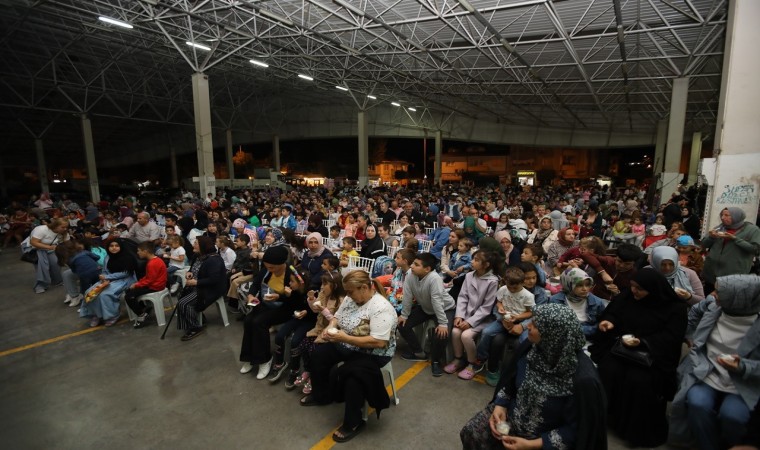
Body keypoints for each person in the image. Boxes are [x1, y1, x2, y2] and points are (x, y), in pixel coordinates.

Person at [460, 304, 605, 450]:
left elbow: (577, 430)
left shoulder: (583, 380)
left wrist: (531, 445)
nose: (528, 326)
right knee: (471, 433)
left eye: (535, 325)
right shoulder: (532, 348)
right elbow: (510, 381)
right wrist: (500, 406)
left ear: (553, 334)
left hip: (542, 438)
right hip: (511, 417)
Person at [590, 267, 688, 447]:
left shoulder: (675, 308)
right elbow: (614, 312)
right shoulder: (628, 297)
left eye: (640, 289)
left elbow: (671, 337)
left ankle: (634, 430)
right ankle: (606, 418)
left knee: (639, 381)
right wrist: (609, 322)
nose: (634, 291)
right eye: (633, 286)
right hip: (622, 349)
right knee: (608, 370)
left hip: (652, 356)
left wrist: (643, 342)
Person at [299, 270, 397, 444]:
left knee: (354, 377)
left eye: (351, 292)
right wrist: (330, 328)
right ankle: (323, 394)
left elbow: (379, 342)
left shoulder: (381, 308)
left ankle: (354, 422)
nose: (348, 296)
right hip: (348, 344)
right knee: (319, 354)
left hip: (374, 354)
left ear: (365, 288)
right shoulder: (351, 299)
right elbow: (336, 317)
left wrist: (343, 337)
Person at [669, 274, 760, 450]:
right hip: (708, 372)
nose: (713, 294)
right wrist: (689, 335)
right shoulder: (714, 308)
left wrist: (743, 367)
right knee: (697, 402)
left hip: (742, 382)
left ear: (738, 298)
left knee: (732, 415)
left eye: (719, 292)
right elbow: (695, 311)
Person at [239, 247, 300, 378]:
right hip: (266, 304)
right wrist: (251, 296)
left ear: (281, 264)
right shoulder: (267, 270)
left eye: (272, 268)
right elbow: (256, 284)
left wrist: (281, 296)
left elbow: (298, 299)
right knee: (248, 321)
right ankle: (249, 358)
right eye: (267, 267)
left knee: (258, 322)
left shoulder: (292, 273)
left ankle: (264, 359)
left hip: (284, 307)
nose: (269, 270)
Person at [397, 252, 457, 376]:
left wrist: (442, 323)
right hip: (426, 307)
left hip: (445, 309)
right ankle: (419, 352)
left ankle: (436, 361)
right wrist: (404, 314)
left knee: (442, 334)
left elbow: (437, 301)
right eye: (413, 263)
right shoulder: (410, 275)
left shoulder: (434, 278)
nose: (412, 266)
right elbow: (407, 296)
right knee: (402, 324)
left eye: (416, 265)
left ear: (427, 269)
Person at [445, 250, 500, 379]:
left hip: (484, 319)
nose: (472, 262)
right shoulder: (469, 276)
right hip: (466, 315)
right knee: (455, 332)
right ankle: (459, 359)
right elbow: (463, 297)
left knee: (466, 335)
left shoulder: (493, 281)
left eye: (476, 260)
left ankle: (473, 363)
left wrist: (470, 322)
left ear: (486, 265)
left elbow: (487, 307)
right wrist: (459, 316)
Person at [175, 236, 227, 341]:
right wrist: (189, 273)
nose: (193, 244)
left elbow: (214, 280)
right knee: (180, 295)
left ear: (203, 246)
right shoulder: (197, 256)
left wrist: (196, 282)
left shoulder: (214, 260)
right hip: (198, 286)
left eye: (196, 243)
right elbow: (192, 269)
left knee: (183, 303)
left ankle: (196, 327)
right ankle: (198, 318)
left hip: (210, 289)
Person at [80, 239, 137, 327]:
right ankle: (96, 315)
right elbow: (105, 270)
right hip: (108, 279)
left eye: (117, 246)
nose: (114, 248)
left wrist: (108, 277)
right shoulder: (108, 257)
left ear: (121, 247)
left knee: (105, 294)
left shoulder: (127, 257)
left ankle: (112, 316)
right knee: (90, 292)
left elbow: (126, 273)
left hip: (124, 280)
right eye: (111, 246)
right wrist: (103, 277)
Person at [702, 207, 760, 293]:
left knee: (727, 303)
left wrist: (735, 239)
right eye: (722, 215)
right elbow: (704, 244)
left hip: (733, 277)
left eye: (726, 215)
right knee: (708, 301)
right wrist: (711, 237)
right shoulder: (720, 228)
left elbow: (756, 250)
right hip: (711, 275)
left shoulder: (752, 230)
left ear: (736, 216)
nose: (722, 218)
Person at [549, 268, 605, 341]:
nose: (585, 289)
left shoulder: (597, 302)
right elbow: (554, 325)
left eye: (587, 285)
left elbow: (602, 323)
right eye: (579, 285)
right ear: (568, 284)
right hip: (563, 339)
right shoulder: (555, 300)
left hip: (590, 338)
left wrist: (579, 330)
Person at [125, 241, 168, 328]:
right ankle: (143, 309)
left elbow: (149, 280)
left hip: (155, 287)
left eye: (139, 250)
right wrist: (138, 283)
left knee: (128, 296)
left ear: (145, 251)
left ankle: (141, 315)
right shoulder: (155, 260)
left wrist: (137, 285)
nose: (137, 253)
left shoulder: (152, 263)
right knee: (130, 291)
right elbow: (148, 277)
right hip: (156, 284)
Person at [28, 217, 70, 294]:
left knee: (56, 263)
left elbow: (67, 244)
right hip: (36, 249)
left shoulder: (64, 233)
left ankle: (57, 281)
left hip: (50, 249)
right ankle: (40, 285)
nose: (65, 229)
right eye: (62, 227)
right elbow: (33, 242)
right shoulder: (42, 229)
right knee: (42, 267)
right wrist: (50, 247)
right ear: (55, 225)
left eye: (66, 227)